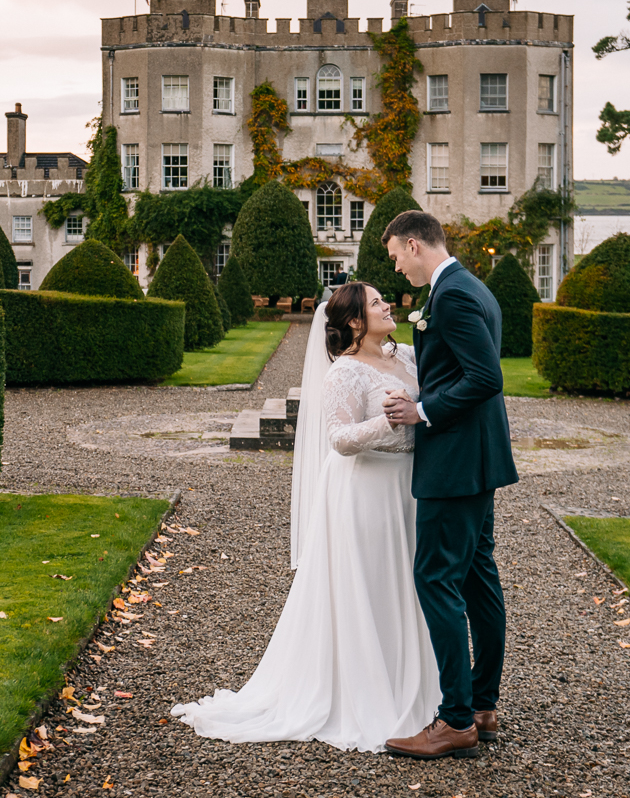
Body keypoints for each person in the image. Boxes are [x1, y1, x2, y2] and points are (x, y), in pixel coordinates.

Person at [170, 282, 440, 751]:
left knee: (409, 582)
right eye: (377, 303)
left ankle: (418, 688)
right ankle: (368, 690)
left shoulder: (410, 357)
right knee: (371, 584)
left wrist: (417, 413)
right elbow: (338, 438)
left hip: (409, 487)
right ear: (355, 321)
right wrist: (390, 420)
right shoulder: (345, 373)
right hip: (365, 489)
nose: (387, 305)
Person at [378, 209, 519, 760]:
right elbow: (462, 365)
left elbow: (486, 378)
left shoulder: (452, 295)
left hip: (455, 464)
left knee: (436, 577)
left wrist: (422, 411)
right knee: (480, 577)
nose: (395, 265)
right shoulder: (472, 287)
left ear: (414, 245)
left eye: (394, 254)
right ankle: (482, 705)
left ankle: (455, 718)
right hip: (479, 459)